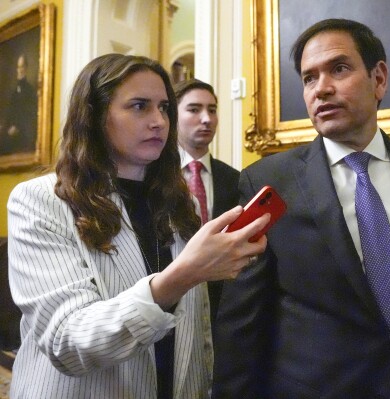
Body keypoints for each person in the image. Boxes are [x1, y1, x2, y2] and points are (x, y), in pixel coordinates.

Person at [212, 18, 390, 398]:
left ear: (378, 78)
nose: (322, 89)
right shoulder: (267, 181)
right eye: (309, 78)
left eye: (339, 69)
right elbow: (242, 324)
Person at [7, 53, 268, 399]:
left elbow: (197, 327)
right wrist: (184, 275)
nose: (159, 121)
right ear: (96, 116)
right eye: (139, 106)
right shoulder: (40, 200)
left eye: (164, 108)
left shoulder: (178, 201)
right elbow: (67, 343)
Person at [174, 78, 240, 323]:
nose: (206, 119)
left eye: (212, 110)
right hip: (171, 303)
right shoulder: (154, 176)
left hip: (221, 308)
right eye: (194, 109)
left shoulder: (234, 179)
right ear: (173, 114)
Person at [0, 54, 38, 154]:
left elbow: (30, 115)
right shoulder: (13, 91)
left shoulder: (30, 90)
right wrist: (4, 127)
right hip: (10, 131)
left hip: (23, 133)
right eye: (18, 67)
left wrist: (18, 127)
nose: (20, 70)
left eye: (22, 67)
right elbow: (9, 112)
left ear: (26, 68)